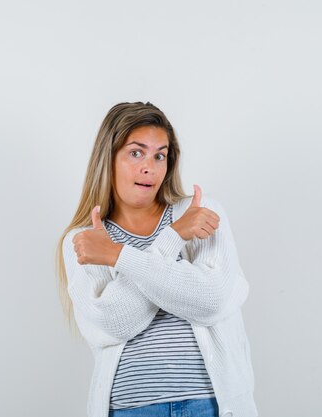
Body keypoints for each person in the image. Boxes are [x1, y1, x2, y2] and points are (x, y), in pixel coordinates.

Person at [55, 102, 257, 417]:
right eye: (136, 153)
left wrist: (119, 257)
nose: (150, 167)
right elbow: (115, 323)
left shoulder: (200, 215)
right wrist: (172, 238)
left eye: (159, 155)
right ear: (108, 159)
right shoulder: (85, 241)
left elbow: (211, 300)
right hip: (130, 409)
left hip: (210, 405)